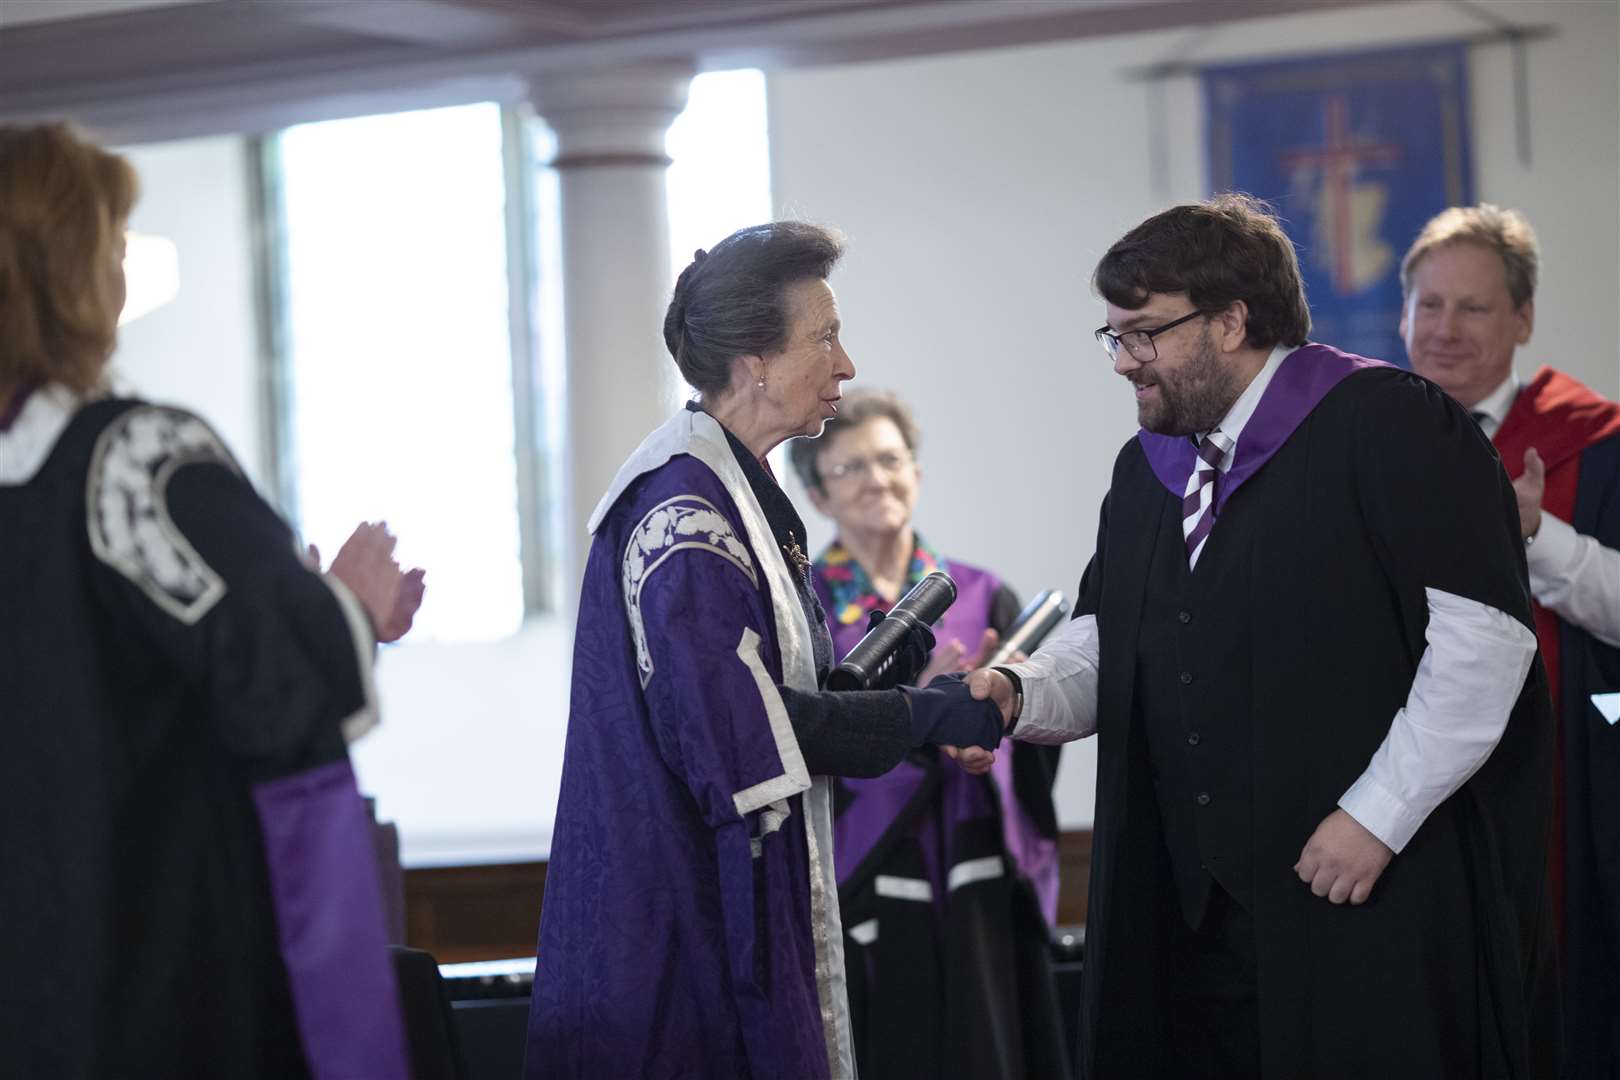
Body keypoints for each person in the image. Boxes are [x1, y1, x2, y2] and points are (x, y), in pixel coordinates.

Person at [960, 194, 1555, 1078]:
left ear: (1232, 321)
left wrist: (1375, 816)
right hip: (1191, 918)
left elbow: (1485, 641)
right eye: (1115, 336)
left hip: (1361, 892)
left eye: (1144, 333)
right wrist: (1017, 694)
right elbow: (1109, 637)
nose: (1125, 361)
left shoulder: (1389, 424)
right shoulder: (1148, 470)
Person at [524, 223, 1002, 1080]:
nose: (846, 364)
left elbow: (771, 694)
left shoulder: (736, 485)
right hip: (683, 927)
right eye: (824, 336)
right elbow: (744, 733)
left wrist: (892, 688)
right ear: (754, 359)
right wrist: (932, 713)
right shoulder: (686, 511)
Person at [0, 122, 427, 1078]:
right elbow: (283, 682)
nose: (122, 264)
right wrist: (349, 609)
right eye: (112, 241)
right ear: (70, 269)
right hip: (143, 972)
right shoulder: (131, 462)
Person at [1400, 203, 1620, 1079]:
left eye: (1475, 308)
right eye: (1430, 305)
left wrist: (1537, 533)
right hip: (1403, 794)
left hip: (1566, 781)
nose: (1445, 330)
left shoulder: (1596, 445)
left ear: (1523, 318)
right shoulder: (1353, 445)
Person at [788, 389, 1068, 1079]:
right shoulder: (805, 610)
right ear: (819, 496)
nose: (877, 479)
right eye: (850, 467)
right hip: (869, 873)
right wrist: (919, 712)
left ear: (916, 472)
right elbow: (801, 741)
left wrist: (1005, 710)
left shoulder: (980, 594)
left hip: (977, 865)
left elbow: (1036, 745)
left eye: (890, 459)